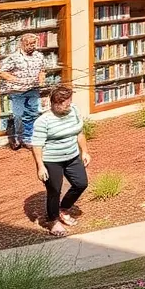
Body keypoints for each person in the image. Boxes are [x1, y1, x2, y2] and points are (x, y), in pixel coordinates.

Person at [30, 85, 90, 237]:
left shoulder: (74, 110)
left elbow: (79, 132)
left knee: (81, 183)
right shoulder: (43, 121)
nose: (69, 107)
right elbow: (37, 145)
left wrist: (85, 152)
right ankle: (53, 221)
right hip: (52, 160)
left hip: (72, 156)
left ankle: (63, 209)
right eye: (66, 105)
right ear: (55, 104)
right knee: (54, 190)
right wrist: (40, 166)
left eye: (70, 103)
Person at [0, 32, 45, 150]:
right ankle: (17, 137)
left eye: (33, 44)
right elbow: (2, 72)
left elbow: (42, 70)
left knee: (31, 114)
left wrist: (41, 81)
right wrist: (16, 80)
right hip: (17, 90)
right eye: (29, 44)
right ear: (22, 44)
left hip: (33, 89)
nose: (31, 46)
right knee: (18, 115)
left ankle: (28, 138)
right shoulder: (14, 57)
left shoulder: (39, 56)